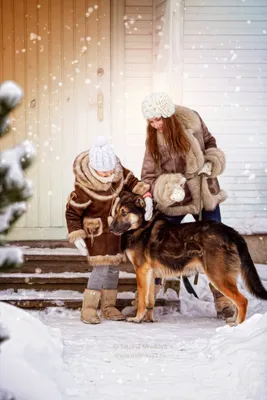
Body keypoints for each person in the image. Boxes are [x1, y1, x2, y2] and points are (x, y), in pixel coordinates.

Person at [140, 92, 235, 320]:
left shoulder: (193, 119)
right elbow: (148, 175)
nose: (155, 125)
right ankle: (160, 287)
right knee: (159, 238)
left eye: (158, 119)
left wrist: (211, 163)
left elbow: (210, 143)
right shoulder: (153, 138)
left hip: (203, 192)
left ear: (169, 115)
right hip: (177, 198)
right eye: (151, 121)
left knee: (215, 245)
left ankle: (223, 299)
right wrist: (167, 188)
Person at [65, 136, 153, 324]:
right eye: (103, 172)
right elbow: (72, 213)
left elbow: (135, 183)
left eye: (110, 171)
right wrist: (77, 236)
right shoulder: (83, 188)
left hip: (116, 231)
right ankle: (88, 309)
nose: (108, 175)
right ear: (94, 169)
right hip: (98, 234)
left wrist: (147, 196)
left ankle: (109, 306)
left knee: (113, 268)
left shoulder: (119, 173)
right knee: (101, 269)